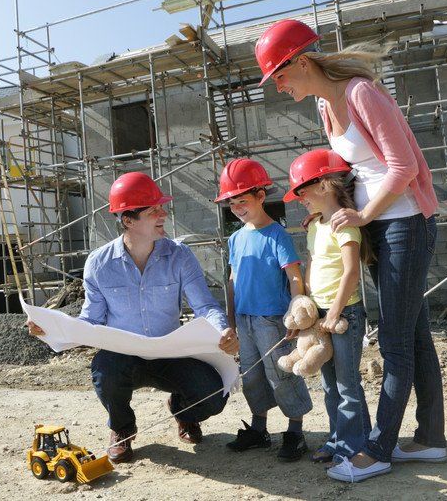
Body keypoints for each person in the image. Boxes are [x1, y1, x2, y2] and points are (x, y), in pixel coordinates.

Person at [256, 19, 445, 482]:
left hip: (405, 223)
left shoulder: (361, 93)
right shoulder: (325, 105)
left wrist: (362, 215)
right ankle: (430, 439)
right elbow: (348, 174)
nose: (278, 86)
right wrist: (330, 212)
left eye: (279, 75)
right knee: (415, 335)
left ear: (302, 61)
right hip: (375, 224)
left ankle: (377, 450)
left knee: (395, 342)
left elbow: (403, 166)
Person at [28, 171, 239, 464]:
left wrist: (222, 332)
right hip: (124, 357)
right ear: (128, 220)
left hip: (171, 354)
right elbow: (91, 319)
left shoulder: (180, 256)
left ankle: (183, 411)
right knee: (104, 369)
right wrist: (51, 328)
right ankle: (122, 428)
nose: (163, 214)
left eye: (161, 208)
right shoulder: (100, 264)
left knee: (214, 395)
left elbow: (205, 306)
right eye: (153, 211)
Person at [214, 158, 312, 462]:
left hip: (273, 319)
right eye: (232, 204)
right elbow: (233, 281)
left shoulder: (277, 235)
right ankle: (259, 430)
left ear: (260, 196)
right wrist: (231, 321)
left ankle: (295, 432)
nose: (237, 208)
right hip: (244, 319)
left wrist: (295, 315)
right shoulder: (235, 238)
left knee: (281, 374)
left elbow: (294, 277)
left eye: (242, 201)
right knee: (252, 375)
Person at [283, 149, 372, 464]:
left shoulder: (345, 226)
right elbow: (312, 266)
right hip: (319, 316)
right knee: (329, 384)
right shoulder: (314, 226)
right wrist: (305, 310)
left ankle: (355, 444)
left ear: (323, 185)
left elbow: (351, 272)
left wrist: (334, 313)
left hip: (344, 315)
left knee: (347, 384)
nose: (300, 199)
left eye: (302, 191)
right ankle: (338, 440)